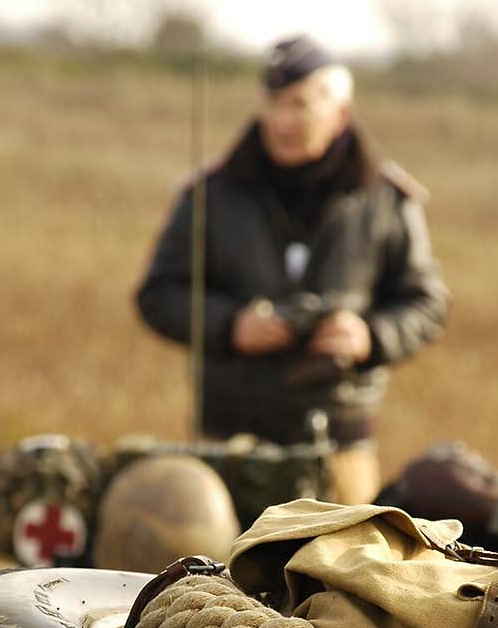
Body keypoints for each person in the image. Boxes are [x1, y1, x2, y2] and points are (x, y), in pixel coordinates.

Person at [134, 34, 449, 505]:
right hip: (227, 444)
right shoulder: (212, 193)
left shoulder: (386, 198)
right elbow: (158, 294)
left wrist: (369, 336)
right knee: (209, 575)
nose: (282, 121)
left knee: (338, 577)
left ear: (340, 113)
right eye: (273, 103)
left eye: (300, 105)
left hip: (339, 443)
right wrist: (231, 326)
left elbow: (427, 302)